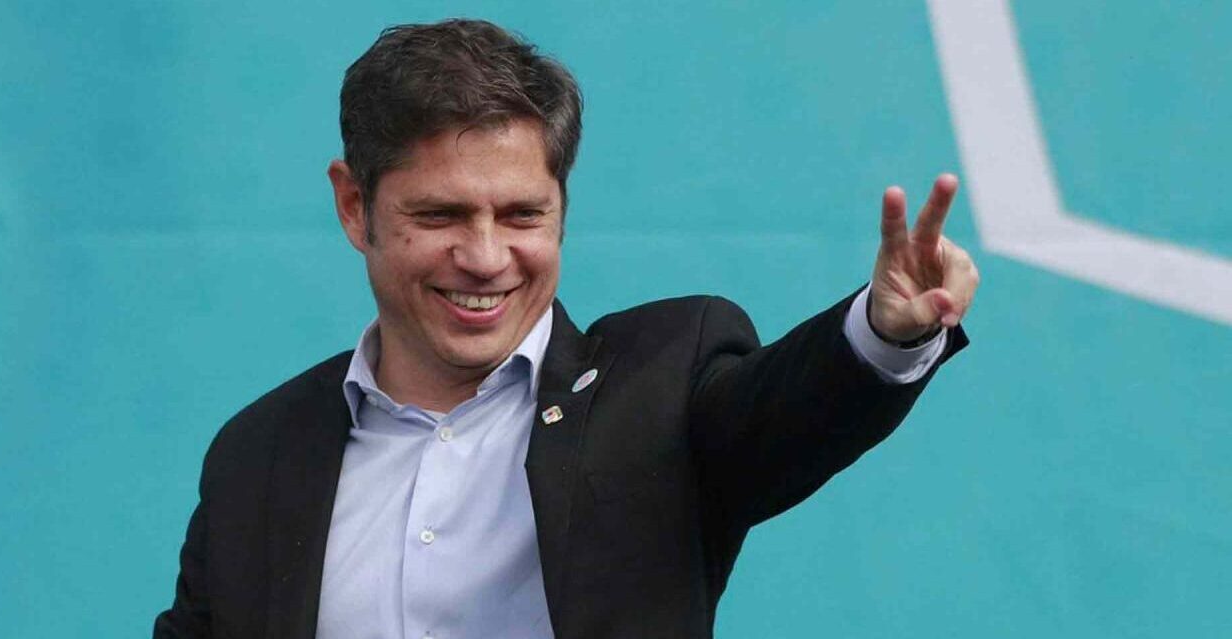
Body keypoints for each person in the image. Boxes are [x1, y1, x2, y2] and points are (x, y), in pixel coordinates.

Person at [155, 18, 977, 639]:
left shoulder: (660, 387)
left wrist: (884, 332)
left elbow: (784, 413)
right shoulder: (258, 454)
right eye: (439, 215)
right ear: (353, 205)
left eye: (522, 215)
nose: (485, 257)